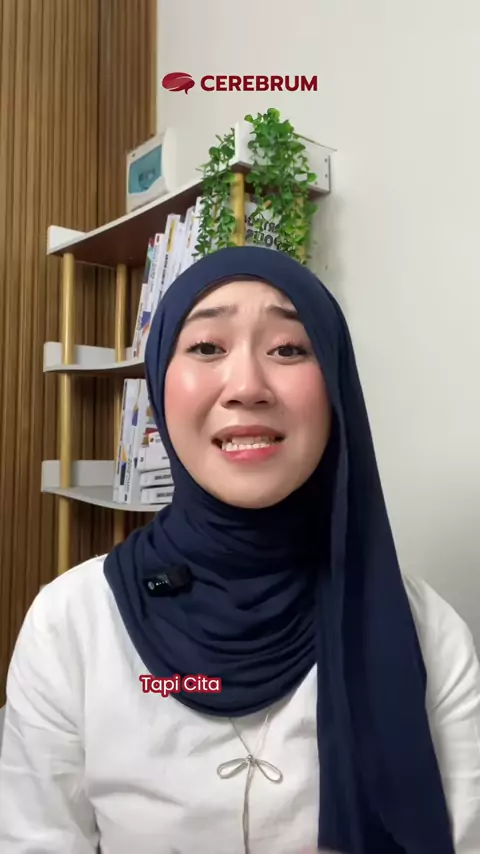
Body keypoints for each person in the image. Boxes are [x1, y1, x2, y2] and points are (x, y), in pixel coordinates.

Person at [0, 245, 479, 854]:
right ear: (159, 383)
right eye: (206, 347)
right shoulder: (70, 623)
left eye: (289, 349)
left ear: (335, 385)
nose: (248, 386)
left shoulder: (428, 635)